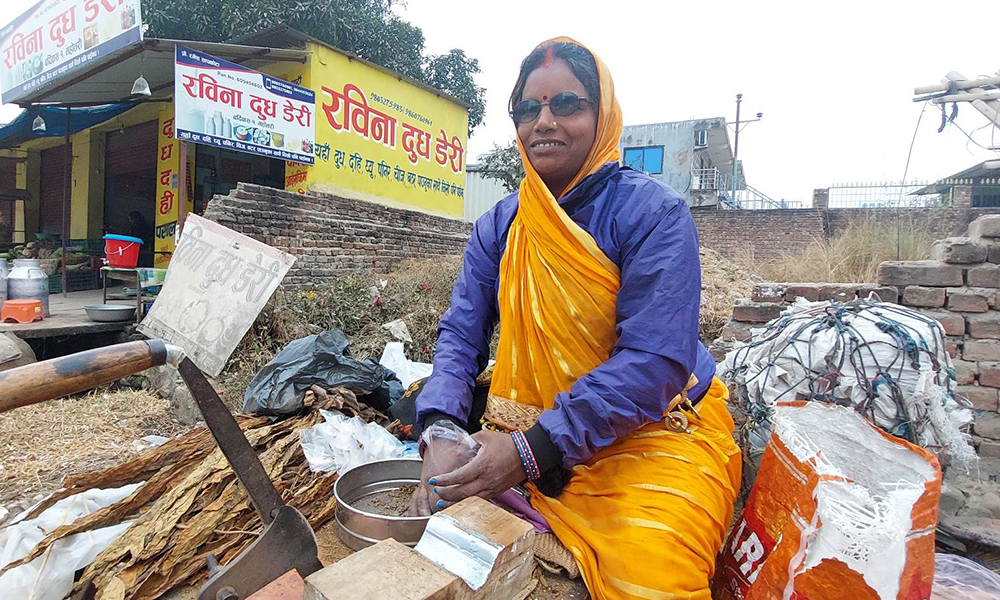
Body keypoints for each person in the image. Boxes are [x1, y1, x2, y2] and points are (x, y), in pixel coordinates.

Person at [411, 37, 741, 599]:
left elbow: (655, 360)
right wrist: (440, 427)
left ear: (602, 114)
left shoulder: (653, 216)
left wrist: (531, 452)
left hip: (646, 430)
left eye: (566, 104)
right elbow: (461, 333)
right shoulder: (500, 226)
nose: (544, 122)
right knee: (443, 522)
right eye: (527, 109)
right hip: (530, 423)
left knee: (653, 574)